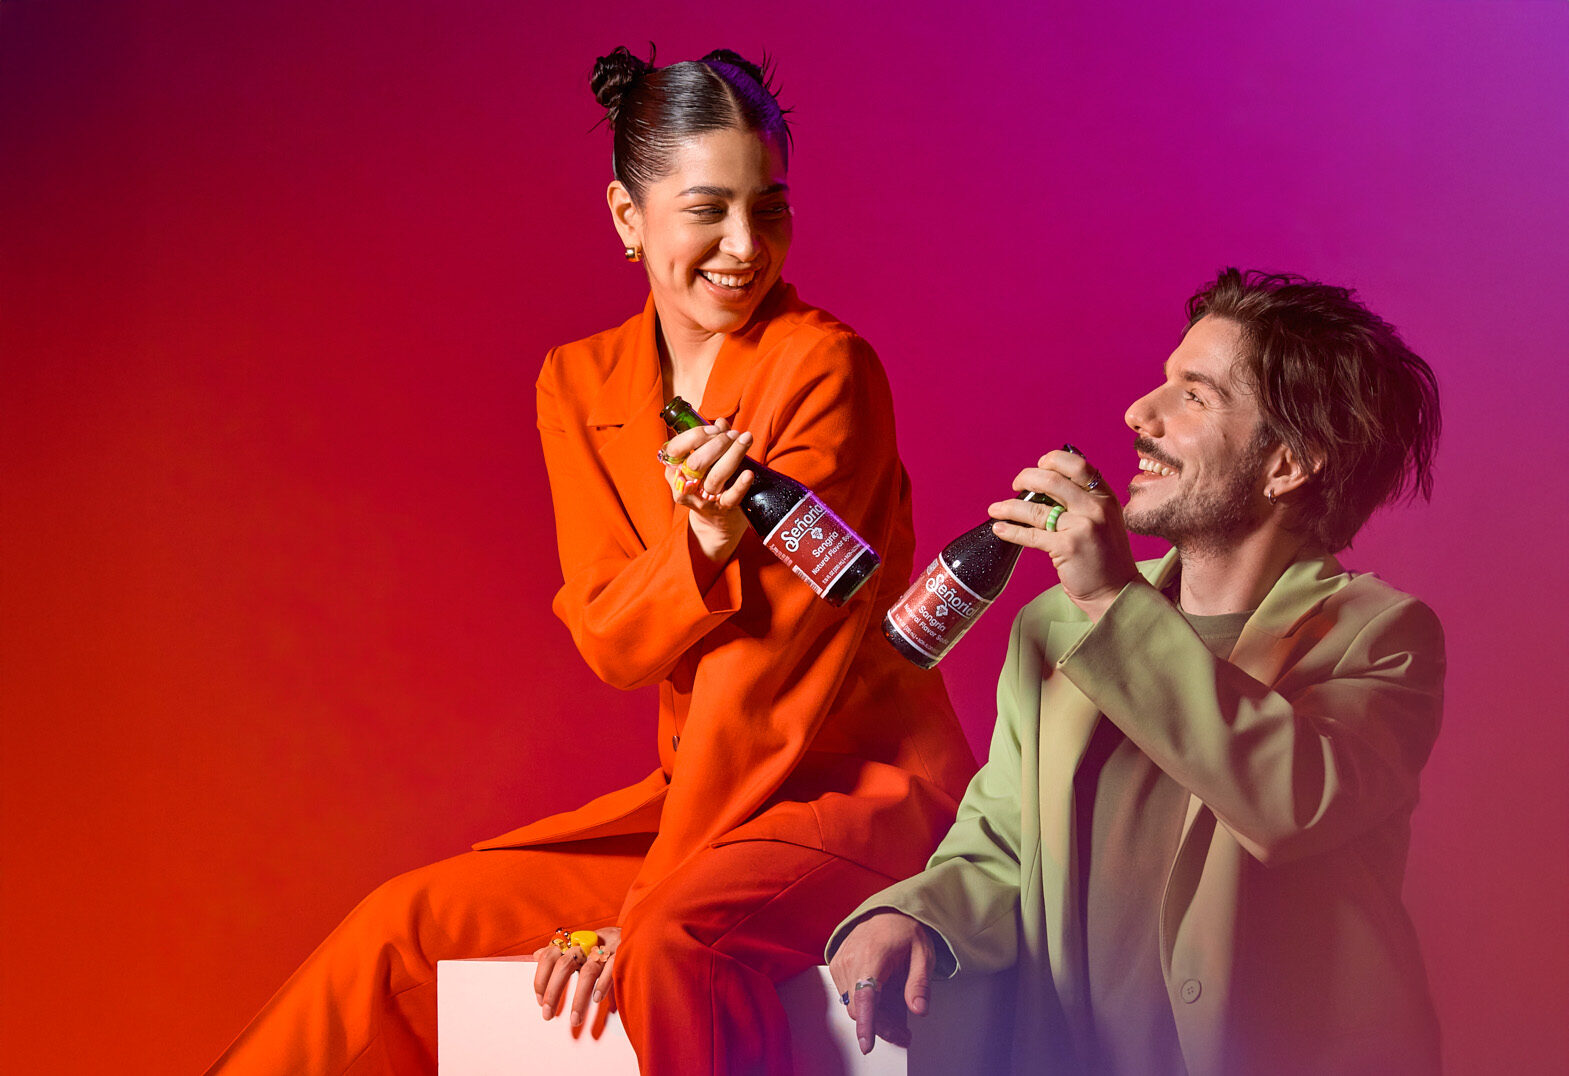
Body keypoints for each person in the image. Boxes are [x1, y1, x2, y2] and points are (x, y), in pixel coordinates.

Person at [205, 46, 975, 1076]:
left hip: (852, 798)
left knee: (672, 942)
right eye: (708, 210)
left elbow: (774, 677)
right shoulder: (578, 381)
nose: (747, 247)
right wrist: (701, 548)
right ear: (627, 217)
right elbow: (611, 635)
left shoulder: (824, 371)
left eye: (771, 208)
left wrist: (649, 900)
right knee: (401, 929)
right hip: (701, 804)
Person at [827, 269, 1445, 1075]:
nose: (1137, 415)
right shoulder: (1053, 627)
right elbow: (1001, 842)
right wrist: (910, 913)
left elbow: (1289, 800)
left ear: (1287, 465)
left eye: (1193, 395)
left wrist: (1114, 596)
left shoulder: (1379, 636)